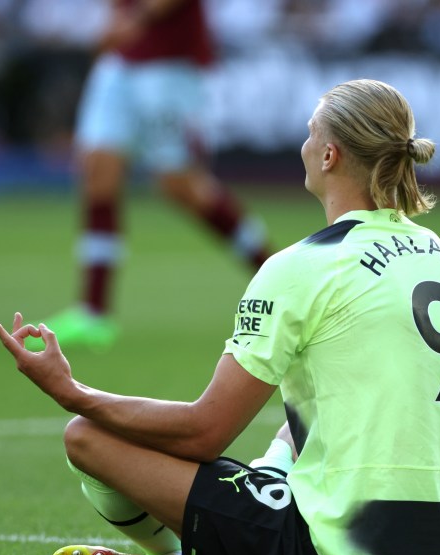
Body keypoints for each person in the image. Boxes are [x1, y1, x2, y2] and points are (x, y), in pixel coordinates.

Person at [0, 79, 440, 555]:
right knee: (293, 429)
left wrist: (70, 391)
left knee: (88, 435)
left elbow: (203, 433)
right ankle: (231, 522)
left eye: (308, 134)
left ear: (328, 155)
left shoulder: (302, 266)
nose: (302, 146)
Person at [30, 0, 272, 351]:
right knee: (98, 170)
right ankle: (94, 312)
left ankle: (277, 272)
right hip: (121, 60)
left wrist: (135, 17)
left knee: (182, 186)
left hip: (171, 66)